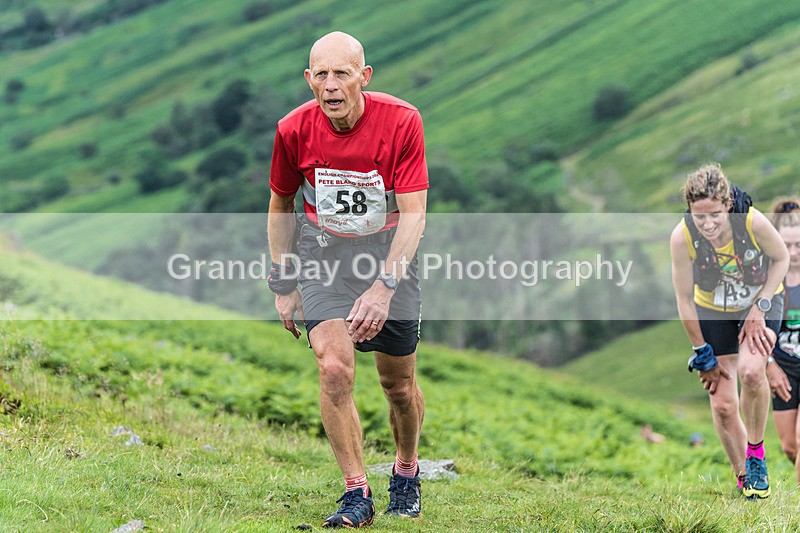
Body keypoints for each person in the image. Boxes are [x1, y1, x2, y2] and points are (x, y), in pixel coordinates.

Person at [267, 31, 428, 528]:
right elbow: (281, 203)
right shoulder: (292, 130)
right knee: (334, 369)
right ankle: (356, 492)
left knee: (397, 386)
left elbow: (415, 213)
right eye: (321, 74)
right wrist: (284, 283)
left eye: (342, 73)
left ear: (364, 76)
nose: (331, 85)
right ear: (308, 79)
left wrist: (384, 287)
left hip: (388, 253)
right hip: (323, 254)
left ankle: (406, 470)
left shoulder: (402, 121)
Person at [669, 163, 789, 498]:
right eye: (699, 217)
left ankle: (756, 455)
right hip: (713, 310)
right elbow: (684, 299)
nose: (707, 224)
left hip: (761, 301)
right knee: (722, 405)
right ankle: (744, 480)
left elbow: (781, 259)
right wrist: (702, 353)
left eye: (714, 215)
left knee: (751, 371)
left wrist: (760, 307)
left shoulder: (751, 221)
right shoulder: (682, 237)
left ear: (727, 204)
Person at [764, 197, 800, 484]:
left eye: (799, 245)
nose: (793, 252)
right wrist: (769, 365)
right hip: (782, 369)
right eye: (787, 245)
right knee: (790, 447)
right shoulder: (766, 278)